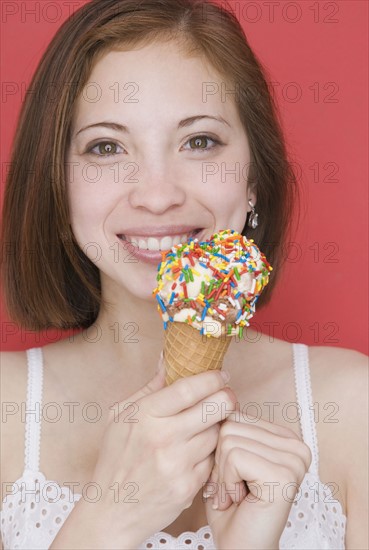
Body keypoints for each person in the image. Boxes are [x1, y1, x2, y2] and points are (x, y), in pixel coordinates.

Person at [0, 0, 367, 549]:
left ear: (252, 181)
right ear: (59, 185)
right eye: (106, 146)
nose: (157, 196)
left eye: (199, 142)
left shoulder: (353, 407)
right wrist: (106, 521)